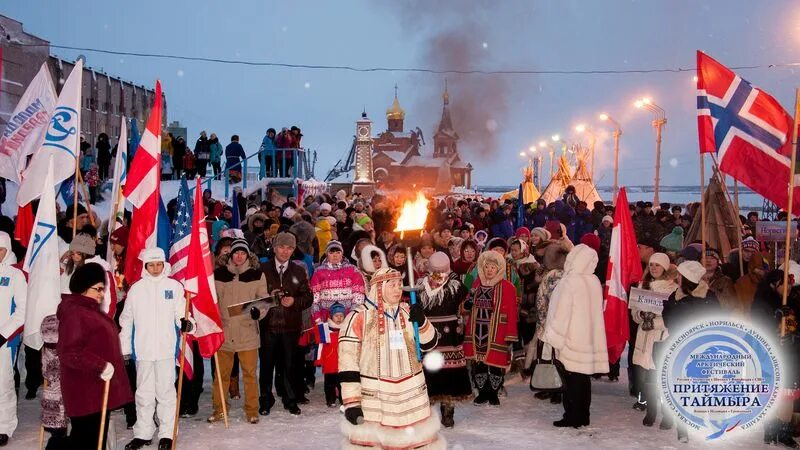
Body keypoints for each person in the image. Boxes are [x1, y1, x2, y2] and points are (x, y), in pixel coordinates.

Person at [339, 267, 445, 449]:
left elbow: (430, 344)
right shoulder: (358, 318)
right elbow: (347, 362)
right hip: (376, 396)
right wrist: (352, 402)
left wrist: (422, 323)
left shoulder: (407, 311)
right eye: (392, 285)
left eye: (400, 285)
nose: (398, 290)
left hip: (411, 394)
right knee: (375, 442)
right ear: (378, 288)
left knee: (415, 441)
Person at [119, 248, 193, 450]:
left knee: (166, 393)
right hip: (142, 351)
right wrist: (125, 348)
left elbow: (182, 312)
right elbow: (126, 320)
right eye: (151, 265)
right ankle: (143, 433)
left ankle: (167, 433)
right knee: (143, 394)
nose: (155, 268)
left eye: (158, 264)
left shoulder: (173, 287)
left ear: (164, 264)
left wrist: (188, 324)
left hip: (166, 351)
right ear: (145, 266)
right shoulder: (136, 289)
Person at [58, 263, 133, 449]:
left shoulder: (88, 309)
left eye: (103, 288)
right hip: (85, 392)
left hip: (96, 391)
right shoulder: (76, 312)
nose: (102, 294)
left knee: (94, 440)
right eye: (98, 289)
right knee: (86, 442)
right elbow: (69, 352)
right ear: (84, 287)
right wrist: (101, 365)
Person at [542, 244, 609, 428]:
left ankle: (571, 415)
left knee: (570, 381)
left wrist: (553, 338)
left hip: (570, 340)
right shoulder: (594, 281)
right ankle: (583, 415)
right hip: (587, 340)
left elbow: (561, 314)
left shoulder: (569, 282)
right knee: (583, 380)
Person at [210, 239, 271, 424]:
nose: (239, 256)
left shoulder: (257, 274)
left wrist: (258, 312)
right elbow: (212, 301)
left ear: (247, 255)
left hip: (247, 332)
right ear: (230, 255)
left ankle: (252, 410)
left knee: (250, 374)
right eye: (236, 253)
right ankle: (220, 409)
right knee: (221, 375)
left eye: (242, 253)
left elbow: (264, 300)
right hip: (225, 332)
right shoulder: (218, 274)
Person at [661, 260, 721, 442]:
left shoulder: (707, 298)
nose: (677, 277)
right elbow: (669, 321)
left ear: (686, 278)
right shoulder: (676, 296)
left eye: (680, 275)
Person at [259, 232, 313, 416]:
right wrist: (269, 297)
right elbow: (254, 298)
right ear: (274, 248)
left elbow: (308, 297)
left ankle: (290, 400)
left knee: (290, 366)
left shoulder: (298, 270)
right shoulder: (262, 269)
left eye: (289, 248)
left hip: (290, 327)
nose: (285, 251)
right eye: (282, 247)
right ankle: (265, 400)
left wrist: (294, 302)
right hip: (268, 326)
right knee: (266, 365)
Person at [417, 252, 470, 427]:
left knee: (430, 373)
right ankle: (448, 413)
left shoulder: (420, 286)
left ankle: (426, 413)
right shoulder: (456, 286)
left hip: (428, 335)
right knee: (449, 374)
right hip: (449, 336)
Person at [463, 251, 518, 406]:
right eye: (487, 266)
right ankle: (482, 392)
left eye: (493, 267)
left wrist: (510, 334)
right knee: (478, 363)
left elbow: (512, 313)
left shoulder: (508, 287)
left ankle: (493, 393)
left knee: (495, 363)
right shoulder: (476, 284)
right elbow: (467, 304)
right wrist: (467, 304)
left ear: (499, 269)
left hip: (497, 331)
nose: (489, 270)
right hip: (477, 329)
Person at [631, 253, 678, 425]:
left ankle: (667, 415)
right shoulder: (643, 286)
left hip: (660, 338)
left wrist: (655, 322)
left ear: (665, 267)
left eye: (657, 265)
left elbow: (673, 316)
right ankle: (651, 411)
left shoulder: (673, 289)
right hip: (644, 337)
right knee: (648, 379)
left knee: (662, 377)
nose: (653, 268)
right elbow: (634, 311)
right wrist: (641, 315)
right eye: (651, 265)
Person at [0, 233, 25, 446]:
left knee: (3, 384)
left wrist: (3, 333)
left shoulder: (15, 276)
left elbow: (22, 310)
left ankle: (4, 426)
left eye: (1, 250)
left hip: (4, 342)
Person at [298, 302, 345, 407]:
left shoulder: (346, 329)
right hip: (329, 363)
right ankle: (330, 400)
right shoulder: (325, 329)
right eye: (336, 316)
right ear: (331, 316)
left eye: (341, 316)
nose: (339, 318)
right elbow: (320, 346)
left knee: (342, 384)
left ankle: (344, 400)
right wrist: (319, 359)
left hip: (343, 364)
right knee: (329, 384)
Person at [309, 241, 366, 325]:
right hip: (325, 318)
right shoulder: (319, 271)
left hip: (348, 316)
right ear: (327, 254)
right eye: (331, 253)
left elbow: (358, 295)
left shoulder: (352, 270)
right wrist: (318, 319)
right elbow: (314, 298)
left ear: (342, 254)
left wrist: (352, 316)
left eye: (338, 252)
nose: (335, 255)